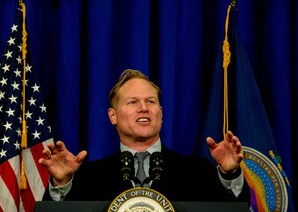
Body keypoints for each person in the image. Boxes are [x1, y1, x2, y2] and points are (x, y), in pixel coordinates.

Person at [39, 69, 250, 202]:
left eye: (150, 102)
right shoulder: (90, 177)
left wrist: (230, 174)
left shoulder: (197, 172)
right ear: (113, 116)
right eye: (132, 102)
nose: (144, 108)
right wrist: (62, 183)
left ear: (161, 112)